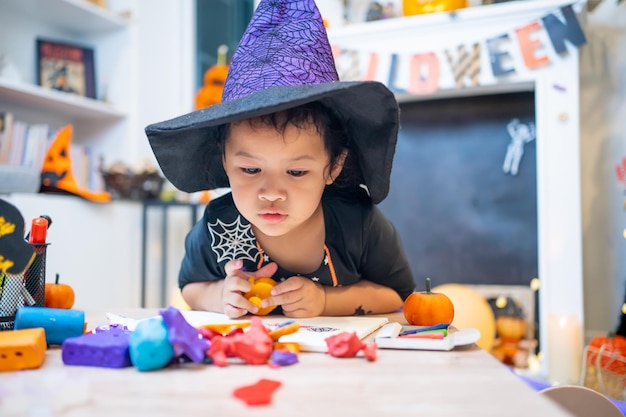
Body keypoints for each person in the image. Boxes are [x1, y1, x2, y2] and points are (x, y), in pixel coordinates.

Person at [145, 0, 415, 319]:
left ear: (334, 165)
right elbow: (191, 286)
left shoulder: (359, 223)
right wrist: (219, 295)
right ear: (224, 162)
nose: (271, 191)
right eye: (250, 169)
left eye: (297, 171)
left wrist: (326, 301)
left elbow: (397, 296)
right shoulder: (218, 225)